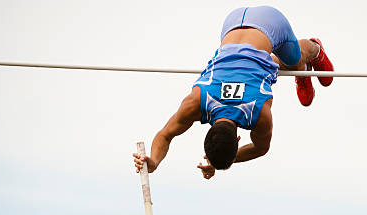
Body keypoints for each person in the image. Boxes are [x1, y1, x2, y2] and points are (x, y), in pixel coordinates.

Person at [133, 6, 333, 179]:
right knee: (268, 63)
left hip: (271, 23)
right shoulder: (196, 102)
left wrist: (228, 158)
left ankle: (313, 50)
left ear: (238, 141)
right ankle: (301, 70)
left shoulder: (258, 112)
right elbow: (165, 135)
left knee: (295, 62)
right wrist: (154, 161)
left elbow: (261, 148)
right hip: (233, 22)